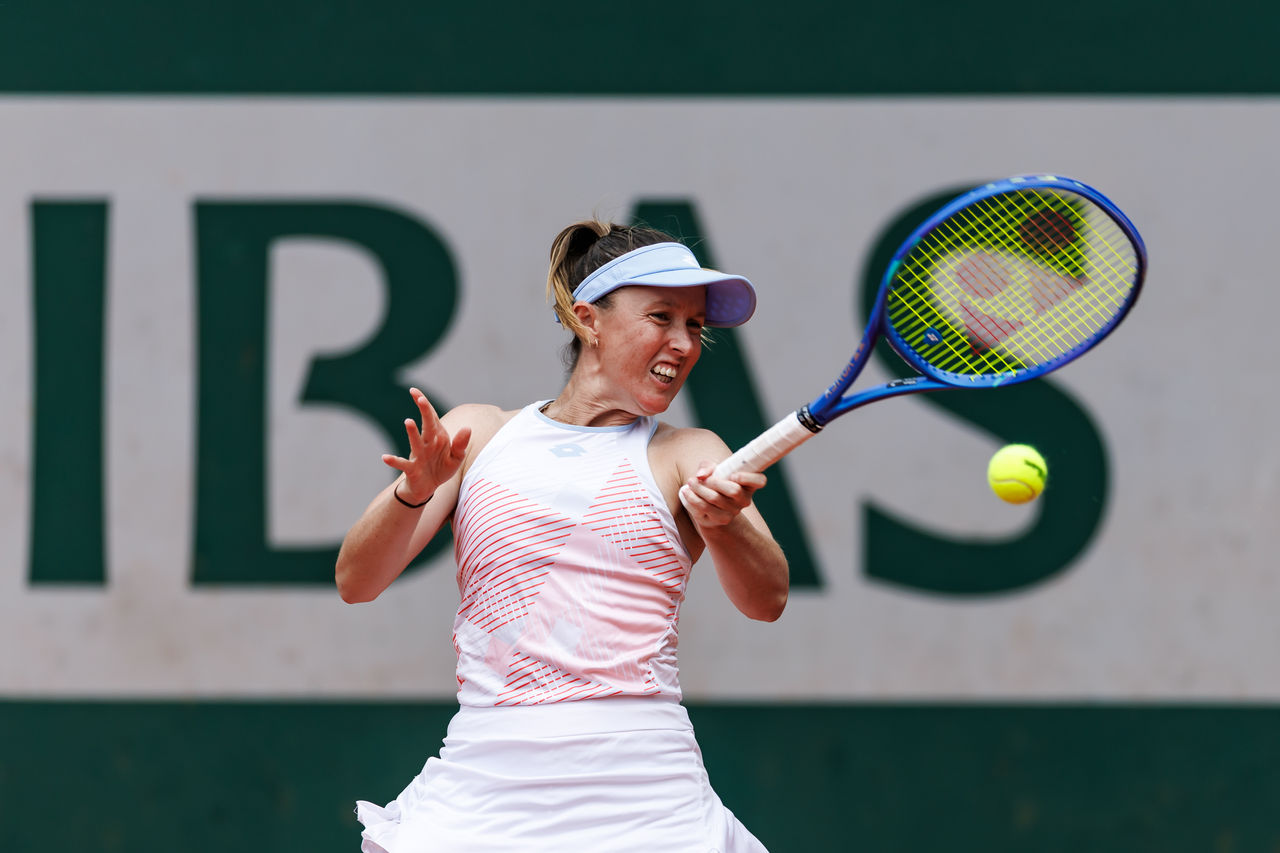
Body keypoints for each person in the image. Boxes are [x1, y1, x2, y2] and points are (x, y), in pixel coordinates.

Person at [336, 219, 790, 852]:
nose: (685, 343)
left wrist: (725, 526)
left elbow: (766, 599)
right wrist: (414, 493)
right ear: (588, 320)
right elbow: (356, 582)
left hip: (646, 794)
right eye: (662, 317)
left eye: (696, 326)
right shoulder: (478, 434)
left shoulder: (691, 453)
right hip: (486, 783)